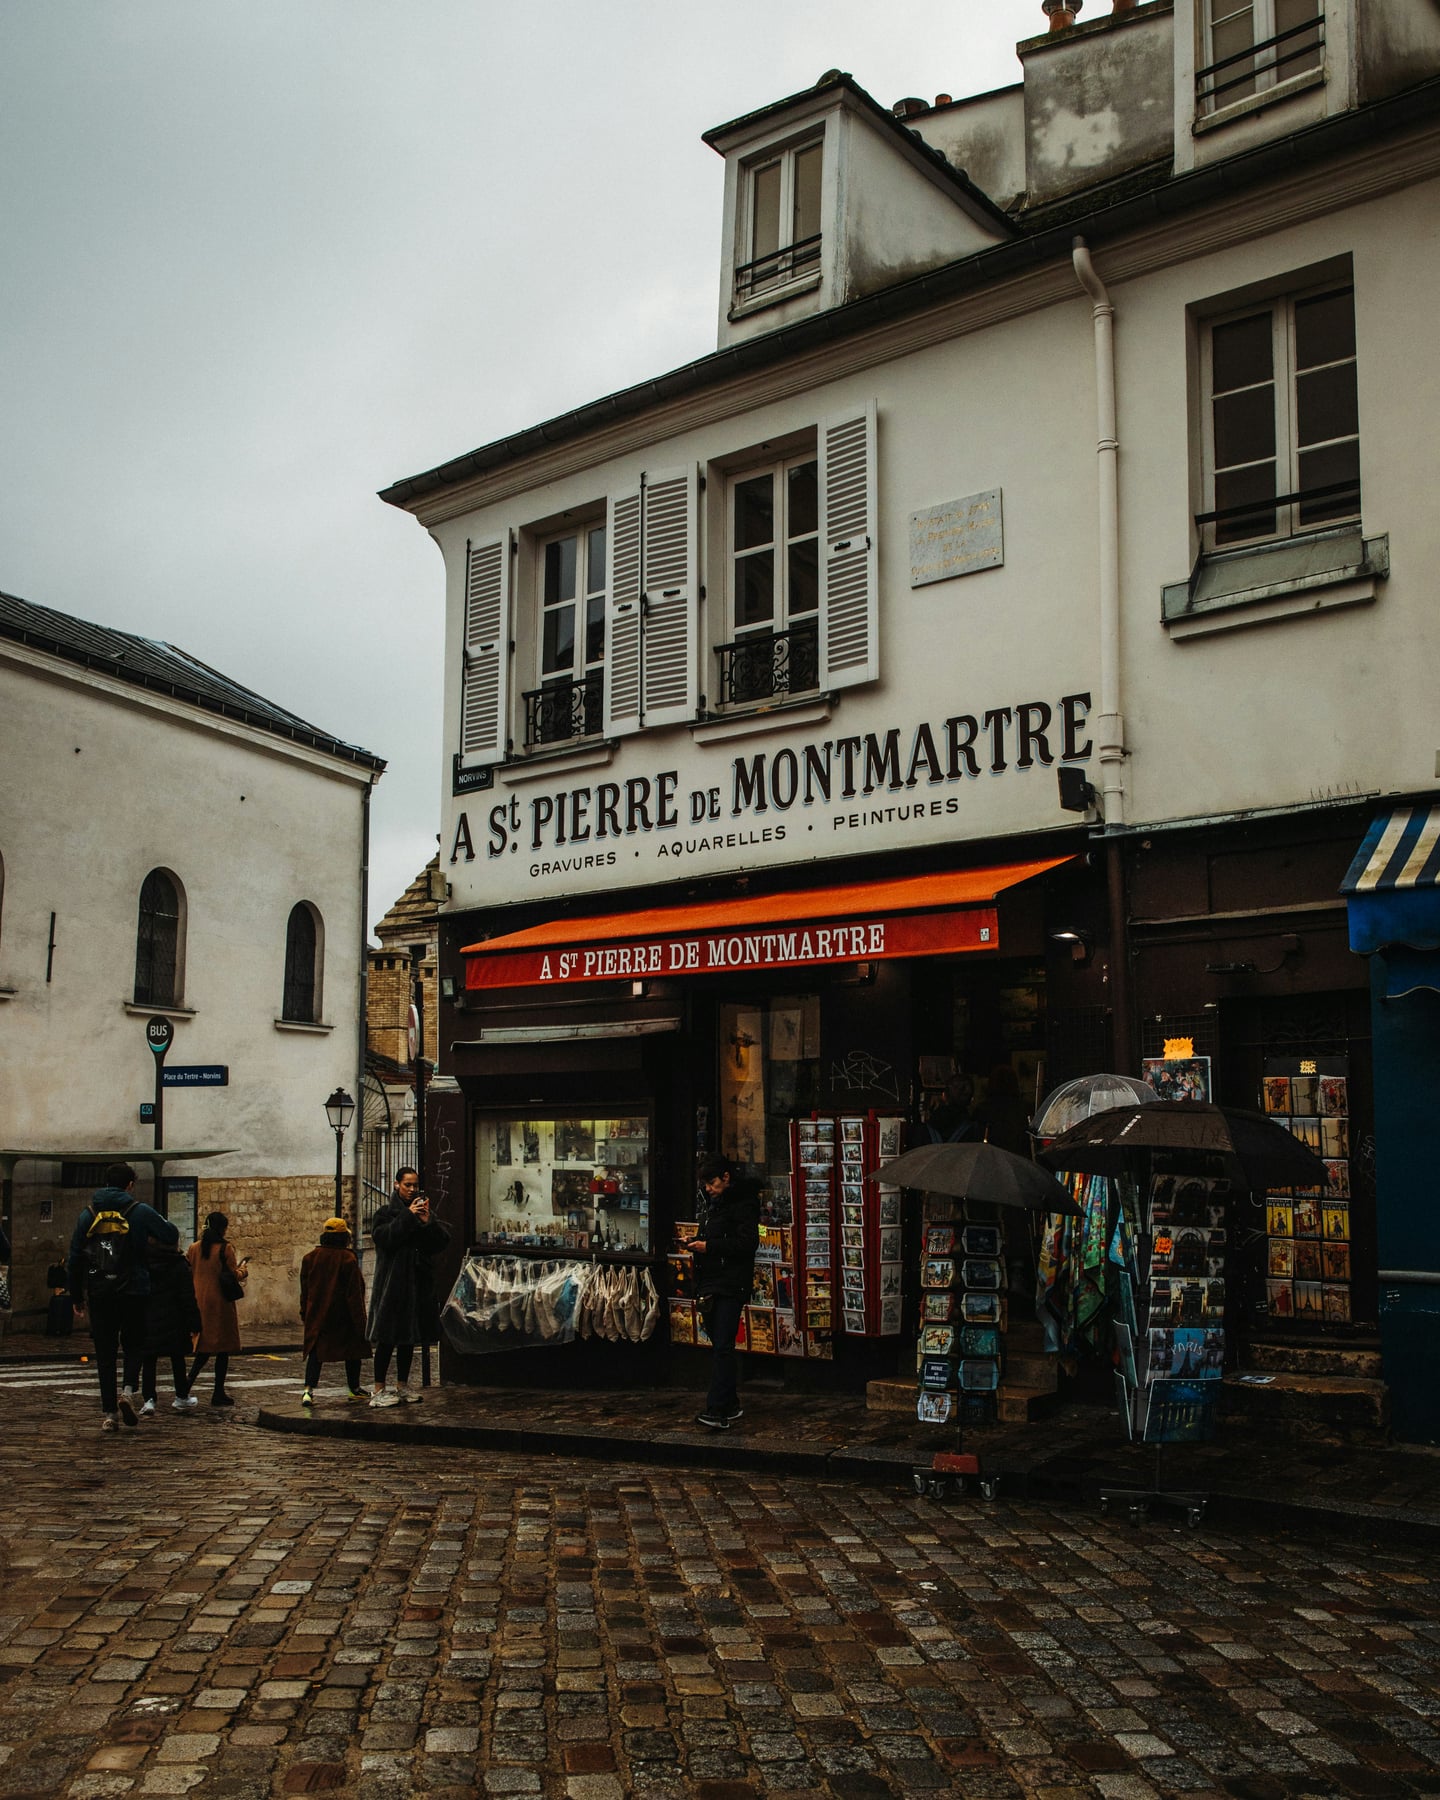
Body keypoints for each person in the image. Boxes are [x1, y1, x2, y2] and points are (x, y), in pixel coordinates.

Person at [67, 1163, 179, 1431]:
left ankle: (109, 1414)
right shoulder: (139, 1212)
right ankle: (128, 1391)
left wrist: (76, 1295)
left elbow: (74, 1257)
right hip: (134, 1289)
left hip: (100, 1292)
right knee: (135, 1343)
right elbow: (170, 1234)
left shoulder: (88, 1214)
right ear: (129, 1185)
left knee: (105, 1353)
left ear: (105, 1183)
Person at [367, 1167, 450, 1408]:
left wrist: (426, 1223)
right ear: (396, 1185)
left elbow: (441, 1242)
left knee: (408, 1338)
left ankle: (402, 1385)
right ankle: (378, 1388)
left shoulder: (423, 1212)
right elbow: (384, 1238)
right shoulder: (385, 1213)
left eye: (415, 1185)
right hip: (392, 1285)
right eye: (407, 1185)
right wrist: (408, 1217)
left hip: (417, 1283)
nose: (412, 1190)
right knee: (387, 1338)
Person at [689, 1152, 760, 1431]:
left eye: (711, 1182)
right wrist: (696, 1241)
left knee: (722, 1346)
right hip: (712, 1281)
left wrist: (708, 1247)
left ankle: (717, 1409)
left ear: (726, 1178)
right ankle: (729, 1404)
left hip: (730, 1284)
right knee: (720, 1344)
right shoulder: (714, 1204)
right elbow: (716, 1236)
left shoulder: (743, 1203)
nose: (708, 1188)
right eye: (705, 1184)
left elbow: (746, 1243)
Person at [299, 1215, 370, 1405]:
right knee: (353, 1351)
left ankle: (308, 1390)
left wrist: (305, 1311)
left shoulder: (310, 1258)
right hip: (343, 1316)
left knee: (316, 1352)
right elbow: (354, 1293)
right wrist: (361, 1322)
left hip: (318, 1314)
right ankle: (354, 1388)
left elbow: (305, 1289)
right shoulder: (347, 1258)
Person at [186, 1211, 247, 1406]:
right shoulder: (225, 1248)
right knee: (222, 1349)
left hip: (199, 1302)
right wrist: (243, 1270)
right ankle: (217, 1391)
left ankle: (186, 1386)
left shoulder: (194, 1248)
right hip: (220, 1303)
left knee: (203, 1349)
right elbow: (231, 1274)